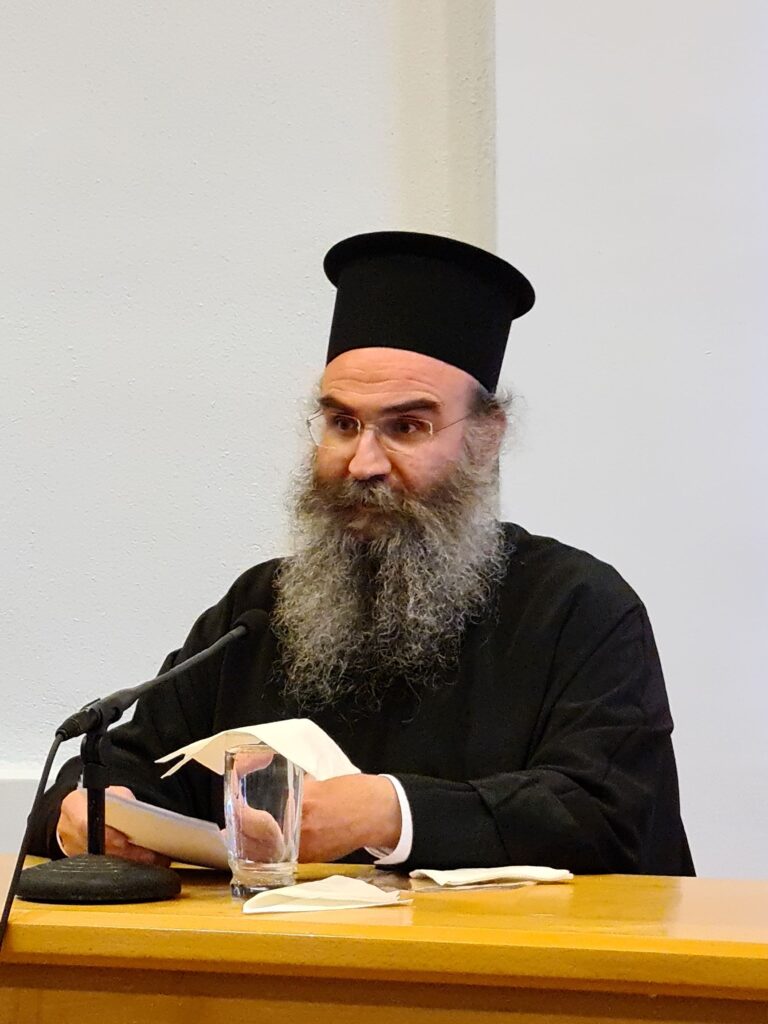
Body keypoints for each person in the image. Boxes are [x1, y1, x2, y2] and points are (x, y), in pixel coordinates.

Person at [30, 231, 694, 874]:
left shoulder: (578, 608)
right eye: (343, 424)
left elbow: (607, 817)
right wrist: (87, 811)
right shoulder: (257, 611)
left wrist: (391, 814)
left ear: (486, 438)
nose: (362, 462)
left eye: (407, 426)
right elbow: (132, 767)